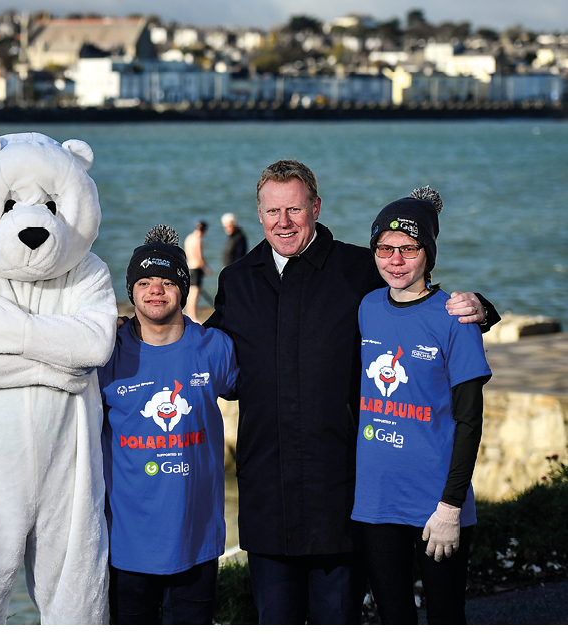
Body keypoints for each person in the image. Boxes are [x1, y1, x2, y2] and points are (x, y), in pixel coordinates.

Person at [202, 159, 497, 625]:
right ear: (258, 213)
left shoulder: (360, 268)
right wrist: (131, 334)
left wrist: (482, 307)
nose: (284, 222)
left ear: (316, 208)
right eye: (273, 211)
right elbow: (205, 352)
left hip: (341, 499)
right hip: (266, 495)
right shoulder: (237, 280)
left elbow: (422, 299)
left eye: (295, 210)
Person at [353, 186, 490, 624]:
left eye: (409, 249)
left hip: (436, 503)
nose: (395, 259)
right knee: (393, 616)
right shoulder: (368, 307)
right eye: (385, 248)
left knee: (446, 616)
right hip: (375, 501)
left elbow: (469, 422)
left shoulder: (455, 316)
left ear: (428, 254)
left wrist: (451, 507)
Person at [99, 225, 238, 624]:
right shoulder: (107, 353)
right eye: (144, 282)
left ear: (182, 286)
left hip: (196, 542)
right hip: (126, 546)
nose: (154, 290)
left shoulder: (214, 348)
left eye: (165, 282)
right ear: (131, 290)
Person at [183, 220, 211, 316]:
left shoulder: (189, 238)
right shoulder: (198, 239)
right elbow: (199, 257)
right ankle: (192, 315)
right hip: (196, 268)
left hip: (189, 266)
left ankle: (189, 313)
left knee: (191, 292)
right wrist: (207, 269)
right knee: (195, 293)